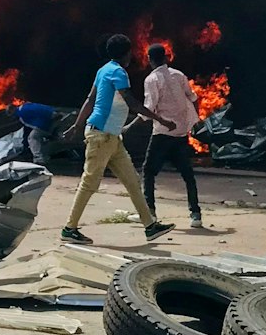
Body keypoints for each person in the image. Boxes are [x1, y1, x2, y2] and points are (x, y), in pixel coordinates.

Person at [61, 35, 177, 244]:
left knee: (132, 181)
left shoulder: (103, 70)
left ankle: (150, 226)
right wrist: (161, 120)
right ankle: (70, 228)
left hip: (111, 137)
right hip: (102, 136)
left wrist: (77, 126)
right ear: (127, 53)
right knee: (89, 183)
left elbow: (90, 99)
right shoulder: (118, 73)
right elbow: (132, 103)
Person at [140, 44, 205, 229]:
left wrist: (133, 123)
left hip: (162, 133)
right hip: (181, 133)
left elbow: (149, 108)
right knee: (188, 174)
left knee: (148, 171)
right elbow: (193, 98)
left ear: (149, 59)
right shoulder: (179, 75)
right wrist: (195, 120)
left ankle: (149, 212)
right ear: (166, 58)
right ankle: (196, 213)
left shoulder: (151, 79)